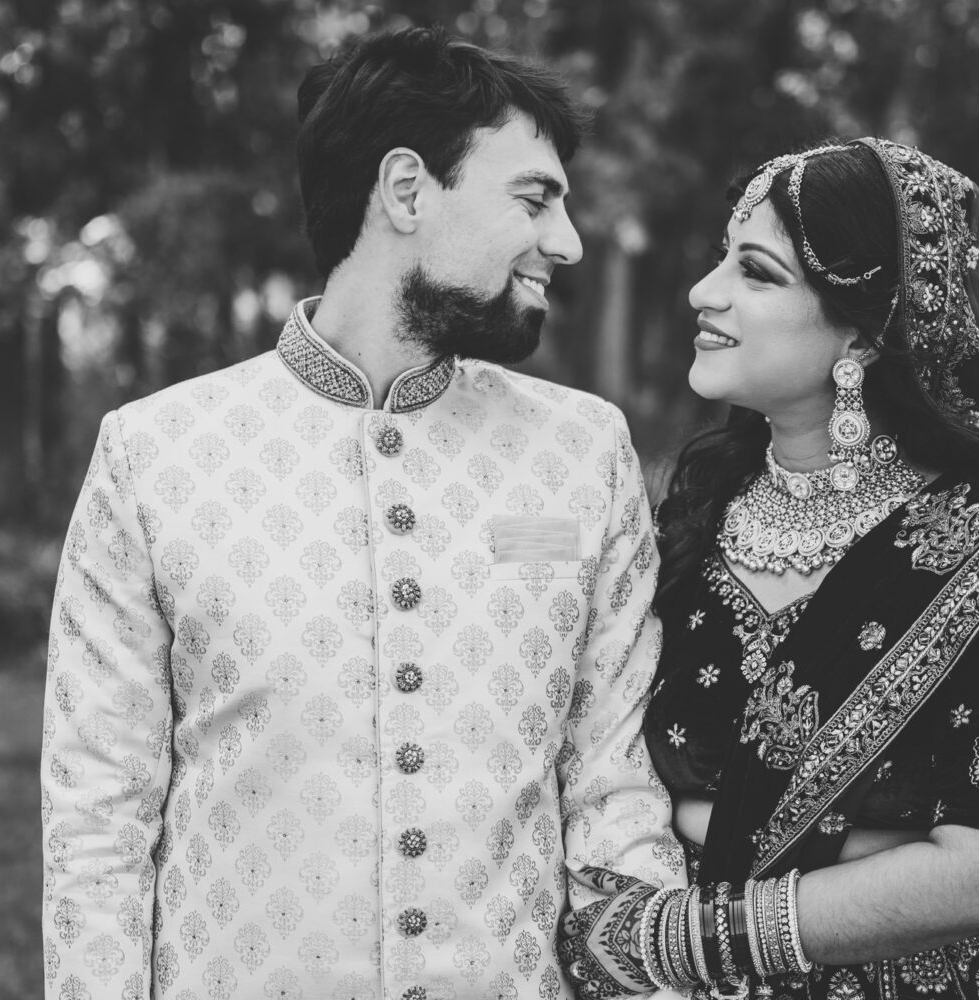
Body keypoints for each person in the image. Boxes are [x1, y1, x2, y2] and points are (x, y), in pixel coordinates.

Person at [41, 26, 685, 1000]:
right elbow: (97, 826)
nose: (568, 242)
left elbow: (613, 792)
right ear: (407, 190)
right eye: (534, 198)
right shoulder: (154, 458)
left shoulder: (584, 455)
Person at [560, 139, 979, 999]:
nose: (704, 291)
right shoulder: (691, 520)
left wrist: (693, 930)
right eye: (720, 258)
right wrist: (875, 851)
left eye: (755, 272)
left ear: (865, 336)